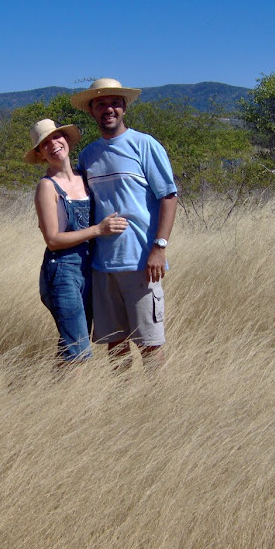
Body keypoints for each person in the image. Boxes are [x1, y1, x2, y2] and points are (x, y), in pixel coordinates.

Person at [70, 79, 178, 368]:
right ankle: (124, 406)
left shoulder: (145, 145)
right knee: (116, 348)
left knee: (150, 345)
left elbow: (168, 196)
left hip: (141, 262)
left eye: (115, 103)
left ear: (124, 108)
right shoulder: (88, 155)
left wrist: (159, 247)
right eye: (101, 104)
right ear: (92, 111)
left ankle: (158, 405)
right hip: (102, 266)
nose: (109, 109)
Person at [24, 119, 128, 362]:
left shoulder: (85, 176)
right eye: (45, 144)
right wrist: (98, 230)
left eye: (56, 137)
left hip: (90, 269)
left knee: (70, 344)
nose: (53, 145)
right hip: (62, 270)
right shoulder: (47, 187)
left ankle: (52, 394)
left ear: (66, 139)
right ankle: (71, 398)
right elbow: (53, 240)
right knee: (78, 349)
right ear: (40, 154)